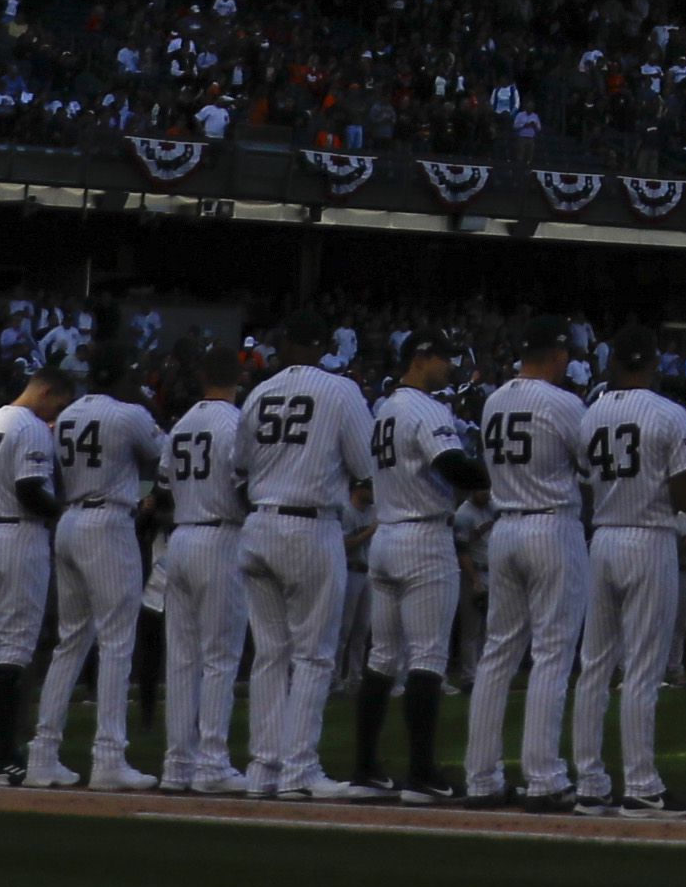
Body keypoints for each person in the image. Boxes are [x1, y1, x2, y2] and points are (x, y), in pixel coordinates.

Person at [456, 322, 596, 808]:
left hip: (505, 527)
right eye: (565, 355)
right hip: (551, 525)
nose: (568, 362)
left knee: (497, 654)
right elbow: (593, 466)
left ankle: (481, 777)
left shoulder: (495, 400)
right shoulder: (563, 403)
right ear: (555, 355)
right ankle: (544, 778)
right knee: (553, 654)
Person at [575, 346, 686, 814]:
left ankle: (590, 782)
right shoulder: (667, 413)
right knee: (642, 668)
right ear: (654, 366)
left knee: (595, 665)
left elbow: (583, 482)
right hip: (649, 537)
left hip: (603, 536)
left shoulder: (591, 413)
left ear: (615, 365)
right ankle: (640, 783)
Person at [235, 322, 373, 801]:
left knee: (270, 654)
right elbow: (367, 463)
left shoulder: (259, 392)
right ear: (322, 348)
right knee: (314, 655)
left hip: (259, 523)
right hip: (310, 526)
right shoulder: (339, 389)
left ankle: (262, 768)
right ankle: (299, 769)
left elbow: (240, 463)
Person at [31, 361, 168, 790]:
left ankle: (43, 753)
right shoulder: (128, 414)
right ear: (122, 377)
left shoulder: (68, 414)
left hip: (70, 520)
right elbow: (168, 457)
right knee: (116, 640)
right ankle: (108, 756)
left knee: (70, 641)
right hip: (108, 523)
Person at [357, 330, 477, 802]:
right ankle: (423, 773)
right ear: (421, 358)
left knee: (382, 657)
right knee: (427, 656)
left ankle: (366, 767)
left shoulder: (384, 408)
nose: (450, 365)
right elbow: (453, 467)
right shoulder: (426, 408)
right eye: (444, 357)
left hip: (385, 535)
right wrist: (501, 474)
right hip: (423, 535)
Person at [0, 369, 67, 782]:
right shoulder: (31, 427)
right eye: (58, 402)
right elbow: (30, 489)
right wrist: (64, 514)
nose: (57, 412)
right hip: (19, 537)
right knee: (14, 649)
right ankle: (5, 756)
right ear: (47, 390)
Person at [151, 356, 252, 794]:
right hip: (221, 538)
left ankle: (177, 765)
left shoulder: (181, 426)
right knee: (220, 657)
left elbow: (160, 493)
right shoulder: (236, 423)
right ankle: (212, 763)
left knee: (183, 659)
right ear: (239, 379)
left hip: (182, 537)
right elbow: (246, 489)